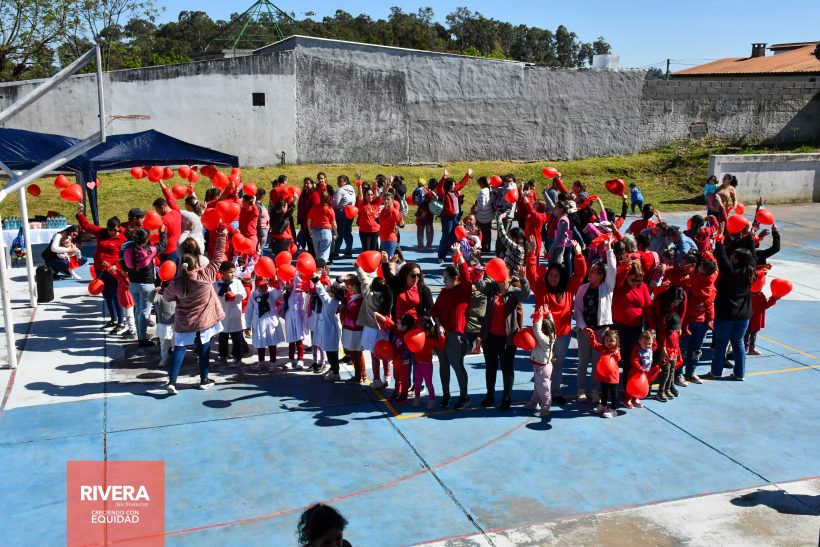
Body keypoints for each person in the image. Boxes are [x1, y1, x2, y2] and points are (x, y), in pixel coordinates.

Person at [161, 225, 227, 394]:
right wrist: (222, 236)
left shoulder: (176, 283)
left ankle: (172, 382)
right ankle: (204, 379)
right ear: (197, 263)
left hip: (184, 321)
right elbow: (218, 258)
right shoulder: (206, 276)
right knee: (204, 347)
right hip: (204, 320)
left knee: (180, 349)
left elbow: (166, 298)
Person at [525, 237, 586, 405]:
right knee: (540, 366)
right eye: (551, 274)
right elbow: (530, 274)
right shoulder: (540, 289)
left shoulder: (569, 289)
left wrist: (578, 255)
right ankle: (538, 394)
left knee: (558, 365)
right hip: (543, 337)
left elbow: (580, 274)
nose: (552, 277)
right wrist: (531, 252)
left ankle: (556, 391)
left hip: (563, 335)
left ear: (562, 278)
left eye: (556, 275)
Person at [476, 264, 531, 410]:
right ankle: (490, 396)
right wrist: (476, 272)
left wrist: (523, 279)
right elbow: (480, 285)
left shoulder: (514, 293)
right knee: (490, 368)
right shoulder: (492, 289)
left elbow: (526, 294)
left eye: (502, 277)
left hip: (507, 339)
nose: (499, 280)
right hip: (490, 338)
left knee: (507, 369)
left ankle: (507, 397)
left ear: (507, 276)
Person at [706, 232, 755, 381]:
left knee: (721, 343)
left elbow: (721, 258)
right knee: (738, 342)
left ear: (737, 260)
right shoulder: (750, 271)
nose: (731, 256)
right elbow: (753, 255)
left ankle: (716, 372)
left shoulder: (730, 272)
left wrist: (719, 241)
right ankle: (740, 373)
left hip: (726, 313)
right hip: (743, 315)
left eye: (734, 255)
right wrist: (749, 237)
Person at [573, 239, 616, 404]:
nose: (589, 274)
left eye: (593, 271)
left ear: (601, 275)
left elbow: (612, 269)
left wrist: (609, 249)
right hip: (586, 332)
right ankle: (581, 389)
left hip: (601, 331)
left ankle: (595, 391)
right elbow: (577, 311)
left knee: (598, 363)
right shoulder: (583, 289)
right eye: (590, 271)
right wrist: (583, 328)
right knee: (583, 361)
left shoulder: (607, 287)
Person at [430, 244, 473, 410]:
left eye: (446, 277)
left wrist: (459, 256)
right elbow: (434, 312)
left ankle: (464, 396)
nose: (444, 280)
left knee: (457, 366)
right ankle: (446, 394)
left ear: (455, 278)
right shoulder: (443, 293)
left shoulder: (463, 291)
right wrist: (439, 325)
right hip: (442, 336)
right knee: (443, 367)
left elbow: (467, 276)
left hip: (456, 336)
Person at [75, 205, 127, 330]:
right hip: (100, 269)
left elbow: (125, 256)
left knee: (115, 295)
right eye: (111, 229)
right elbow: (86, 226)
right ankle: (113, 319)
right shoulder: (101, 232)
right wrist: (80, 213)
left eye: (115, 230)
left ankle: (121, 322)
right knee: (106, 295)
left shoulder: (123, 238)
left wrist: (117, 268)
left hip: (113, 270)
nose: (113, 232)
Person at [122, 226, 167, 349]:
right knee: (145, 312)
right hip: (146, 285)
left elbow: (123, 264)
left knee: (138, 310)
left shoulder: (127, 249)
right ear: (147, 239)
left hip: (133, 284)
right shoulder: (149, 251)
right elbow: (163, 245)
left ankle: (140, 335)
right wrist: (162, 233)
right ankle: (142, 339)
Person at [650, 285, 686, 401]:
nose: (676, 304)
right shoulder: (660, 301)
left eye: (678, 302)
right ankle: (656, 388)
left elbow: (682, 312)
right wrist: (662, 347)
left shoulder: (683, 297)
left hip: (672, 333)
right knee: (660, 365)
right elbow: (660, 327)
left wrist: (679, 326)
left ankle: (669, 387)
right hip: (662, 330)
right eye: (675, 302)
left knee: (671, 370)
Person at [244, 277, 284, 371]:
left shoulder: (272, 292)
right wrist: (248, 325)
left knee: (272, 343)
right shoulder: (254, 295)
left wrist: (278, 279)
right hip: (258, 322)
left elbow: (280, 289)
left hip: (270, 321)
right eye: (261, 286)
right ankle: (261, 362)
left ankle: (273, 363)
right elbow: (249, 310)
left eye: (265, 285)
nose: (264, 287)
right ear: (257, 286)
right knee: (260, 343)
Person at [435, 168, 473, 263]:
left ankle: (453, 252)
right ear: (448, 186)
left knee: (454, 236)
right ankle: (441, 256)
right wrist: (444, 177)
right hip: (447, 218)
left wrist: (467, 175)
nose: (454, 187)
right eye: (452, 185)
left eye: (454, 185)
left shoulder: (454, 191)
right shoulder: (443, 193)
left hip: (456, 217)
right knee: (446, 236)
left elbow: (461, 184)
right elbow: (439, 187)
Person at [214, 261, 247, 369]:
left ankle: (237, 357)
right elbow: (213, 298)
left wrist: (235, 296)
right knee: (222, 337)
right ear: (222, 272)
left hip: (234, 315)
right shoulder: (216, 284)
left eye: (234, 272)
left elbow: (243, 294)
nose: (233, 274)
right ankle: (222, 356)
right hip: (222, 314)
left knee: (236, 338)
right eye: (230, 272)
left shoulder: (237, 282)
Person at [525, 307, 556, 418]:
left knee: (544, 389)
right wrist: (549, 314)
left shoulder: (544, 339)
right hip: (541, 366)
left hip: (542, 368)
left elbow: (537, 330)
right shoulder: (552, 334)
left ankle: (545, 409)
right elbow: (551, 323)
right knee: (538, 386)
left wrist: (540, 317)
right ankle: (534, 402)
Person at [584, 327, 621, 418]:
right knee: (603, 392)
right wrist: (592, 337)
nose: (608, 343)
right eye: (607, 340)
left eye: (611, 341)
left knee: (613, 393)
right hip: (603, 376)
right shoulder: (602, 348)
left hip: (613, 377)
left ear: (616, 341)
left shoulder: (616, 351)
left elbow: (619, 358)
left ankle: (613, 409)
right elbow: (594, 344)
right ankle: (603, 405)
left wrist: (616, 354)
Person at [410, 317, 446, 409]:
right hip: (418, 364)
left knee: (428, 383)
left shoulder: (431, 340)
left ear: (429, 331)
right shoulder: (418, 339)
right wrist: (422, 317)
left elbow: (440, 345)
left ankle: (432, 400)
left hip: (427, 365)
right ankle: (416, 398)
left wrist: (442, 336)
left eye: (425, 331)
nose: (422, 332)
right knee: (417, 383)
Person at [313, 278, 343, 382]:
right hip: (331, 330)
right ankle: (334, 370)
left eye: (329, 291)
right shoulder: (334, 301)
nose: (327, 291)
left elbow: (321, 292)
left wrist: (316, 281)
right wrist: (338, 281)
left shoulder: (329, 302)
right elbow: (332, 290)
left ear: (332, 294)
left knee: (331, 354)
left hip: (329, 331)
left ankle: (336, 373)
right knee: (332, 353)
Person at [341, 275, 366, 384]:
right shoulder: (355, 297)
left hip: (355, 330)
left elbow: (353, 315)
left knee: (356, 354)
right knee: (356, 353)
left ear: (356, 286)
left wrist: (343, 310)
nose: (349, 287)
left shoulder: (359, 299)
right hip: (353, 329)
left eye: (351, 285)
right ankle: (362, 374)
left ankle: (358, 376)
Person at [284, 273, 309, 370]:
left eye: (290, 282)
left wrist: (295, 274)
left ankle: (300, 359)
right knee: (291, 339)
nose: (289, 283)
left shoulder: (298, 291)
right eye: (287, 282)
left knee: (299, 339)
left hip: (298, 315)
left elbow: (297, 281)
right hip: (289, 316)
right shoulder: (286, 293)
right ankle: (291, 359)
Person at [624, 330, 654, 408]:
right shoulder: (638, 350)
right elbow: (634, 361)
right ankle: (626, 399)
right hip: (635, 372)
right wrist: (640, 368)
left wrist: (654, 336)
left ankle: (635, 398)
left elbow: (655, 345)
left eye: (649, 343)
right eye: (645, 343)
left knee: (639, 387)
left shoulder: (650, 349)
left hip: (644, 373)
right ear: (639, 341)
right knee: (632, 386)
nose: (647, 345)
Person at [154, 185, 183, 265]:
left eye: (157, 210)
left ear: (162, 207)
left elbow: (162, 237)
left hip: (168, 252)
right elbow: (170, 198)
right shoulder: (177, 212)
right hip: (179, 249)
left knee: (168, 275)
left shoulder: (163, 220)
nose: (158, 213)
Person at [355, 179, 384, 252]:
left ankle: (375, 263)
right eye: (368, 195)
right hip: (364, 231)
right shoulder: (362, 204)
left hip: (375, 230)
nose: (370, 196)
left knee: (375, 250)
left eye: (371, 194)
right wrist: (359, 183)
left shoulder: (376, 203)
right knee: (366, 250)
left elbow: (382, 194)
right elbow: (360, 196)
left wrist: (388, 185)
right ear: (365, 196)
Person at [307, 191, 336, 262]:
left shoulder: (314, 208)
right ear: (328, 198)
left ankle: (318, 266)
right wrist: (336, 232)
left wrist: (309, 230)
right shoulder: (330, 209)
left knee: (317, 252)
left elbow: (309, 220)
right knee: (324, 253)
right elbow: (333, 223)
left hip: (315, 231)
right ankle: (322, 266)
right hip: (326, 231)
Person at [151, 282, 176, 368]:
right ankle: (164, 359)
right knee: (164, 345)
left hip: (175, 325)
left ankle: (176, 359)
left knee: (175, 344)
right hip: (163, 325)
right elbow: (150, 298)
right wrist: (154, 290)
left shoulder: (176, 296)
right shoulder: (159, 297)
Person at [332, 175, 356, 257]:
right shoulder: (352, 189)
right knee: (348, 232)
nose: (338, 183)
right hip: (351, 212)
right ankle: (349, 250)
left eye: (340, 181)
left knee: (339, 233)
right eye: (338, 181)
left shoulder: (340, 190)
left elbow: (335, 203)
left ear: (345, 182)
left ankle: (336, 251)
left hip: (341, 212)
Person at [296, 178, 319, 255]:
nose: (306, 185)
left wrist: (312, 219)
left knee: (311, 239)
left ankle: (313, 255)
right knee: (306, 238)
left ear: (312, 184)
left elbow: (316, 208)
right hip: (304, 220)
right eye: (305, 183)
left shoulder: (314, 194)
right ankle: (309, 253)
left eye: (308, 183)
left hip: (311, 221)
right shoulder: (303, 194)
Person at [378, 191, 404, 259]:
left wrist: (401, 218)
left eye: (388, 199)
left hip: (390, 239)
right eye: (385, 199)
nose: (386, 201)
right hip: (383, 238)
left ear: (392, 200)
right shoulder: (383, 211)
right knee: (384, 260)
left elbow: (401, 225)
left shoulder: (394, 212)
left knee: (389, 260)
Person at [413, 178, 436, 251]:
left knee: (420, 230)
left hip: (420, 212)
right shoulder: (428, 192)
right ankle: (428, 245)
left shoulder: (417, 190)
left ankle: (420, 245)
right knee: (429, 230)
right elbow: (430, 204)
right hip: (428, 214)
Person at [473, 176, 494, 253]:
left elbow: (481, 205)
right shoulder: (490, 189)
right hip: (489, 214)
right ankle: (488, 247)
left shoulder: (482, 192)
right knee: (488, 232)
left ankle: (483, 247)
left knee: (482, 233)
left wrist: (475, 210)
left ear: (481, 183)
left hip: (482, 216)